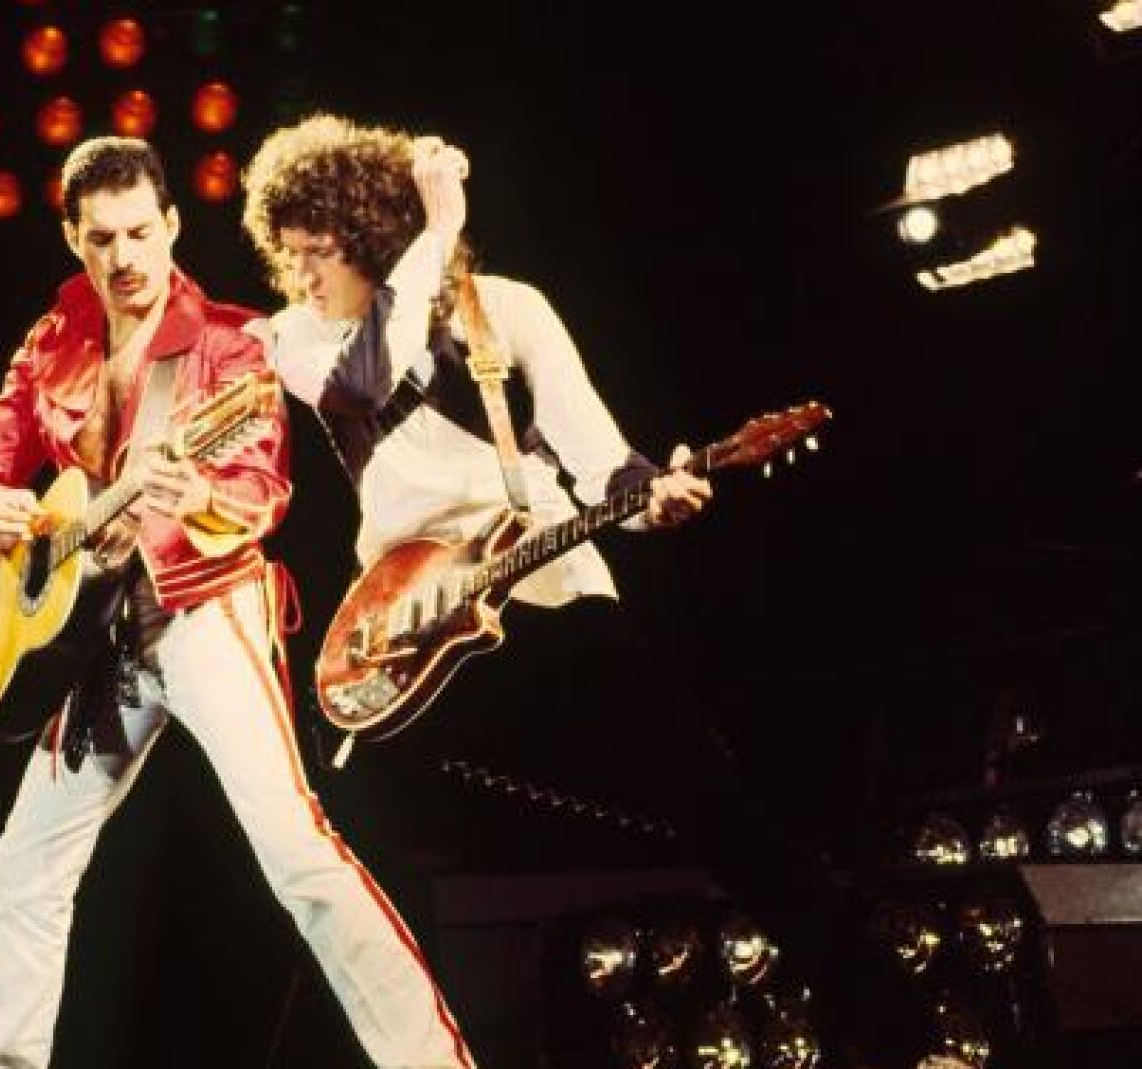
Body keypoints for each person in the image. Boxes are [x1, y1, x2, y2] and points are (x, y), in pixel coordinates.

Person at [241, 114, 964, 1069]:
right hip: (402, 631)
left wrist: (655, 495)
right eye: (289, 254)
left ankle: (903, 1037)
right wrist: (436, 228)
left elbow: (601, 463)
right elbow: (369, 378)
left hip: (547, 588)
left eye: (319, 251)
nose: (299, 274)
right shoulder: (297, 337)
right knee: (336, 847)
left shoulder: (508, 310)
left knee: (719, 805)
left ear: (370, 234)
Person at [0, 135, 474, 1069]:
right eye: (101, 238)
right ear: (72, 238)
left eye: (139, 233)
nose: (124, 257)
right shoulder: (51, 342)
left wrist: (197, 496)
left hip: (203, 608)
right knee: (21, 866)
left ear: (171, 224)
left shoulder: (232, 343)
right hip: (97, 639)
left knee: (296, 854)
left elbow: (262, 492)